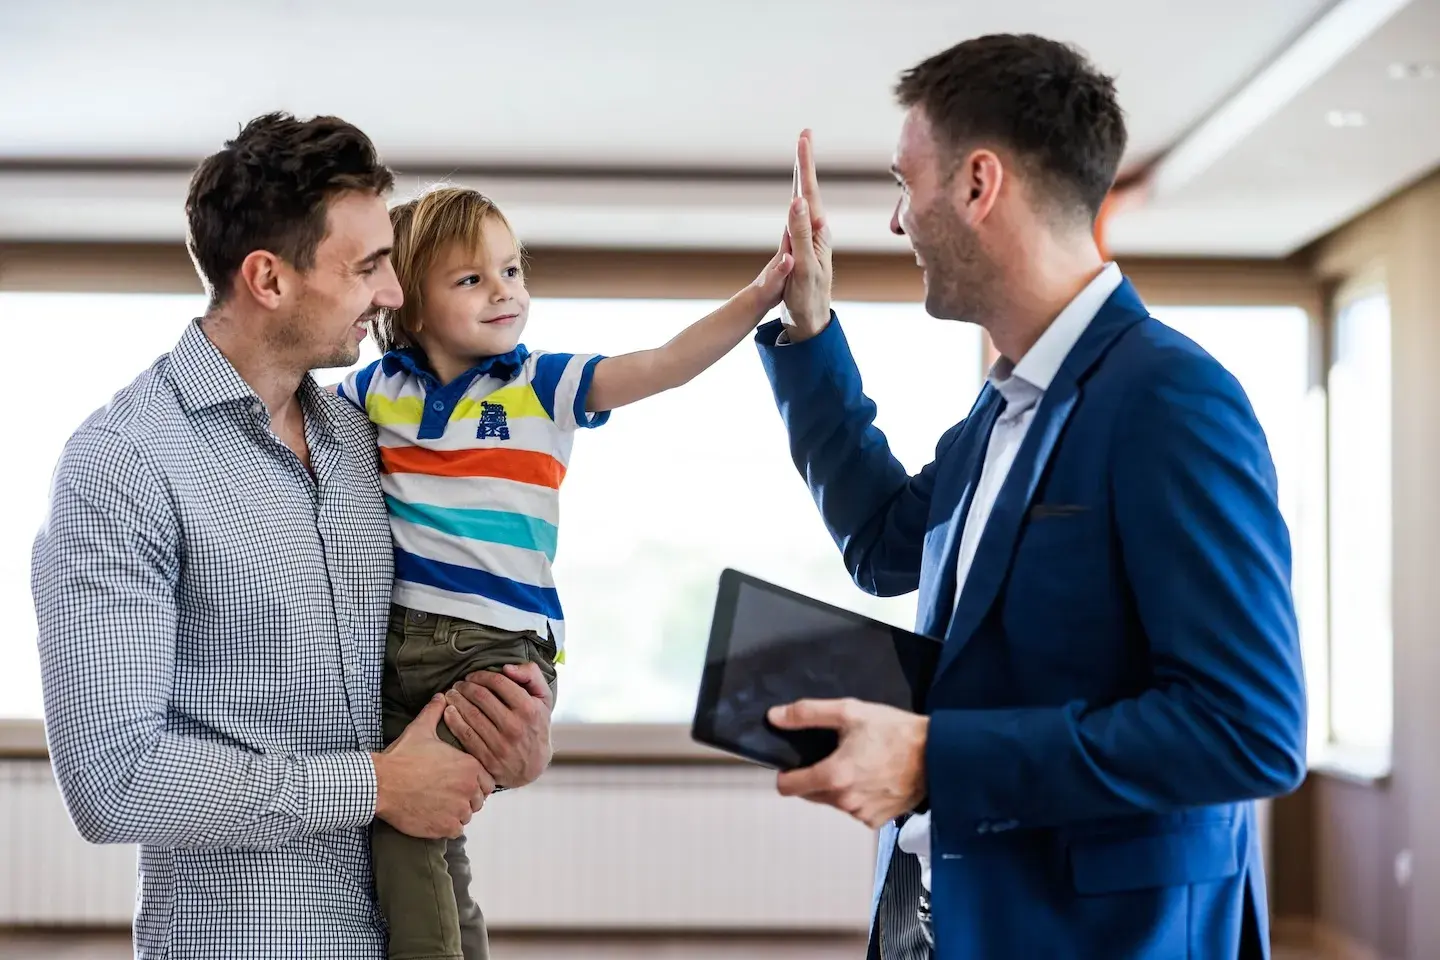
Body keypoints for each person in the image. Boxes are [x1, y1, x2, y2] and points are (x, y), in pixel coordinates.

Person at [757, 35, 1307, 959]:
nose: (898, 222)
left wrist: (936, 758)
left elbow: (1246, 728)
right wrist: (810, 330)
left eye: (907, 183)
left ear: (978, 184)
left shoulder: (1172, 398)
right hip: (942, 913)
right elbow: (887, 541)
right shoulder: (1002, 406)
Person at [31, 114, 554, 960]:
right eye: (368, 268)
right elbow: (112, 781)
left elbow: (431, 653)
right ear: (268, 279)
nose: (393, 296)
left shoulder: (362, 437)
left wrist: (513, 744)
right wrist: (373, 786)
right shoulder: (121, 465)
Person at [335, 184, 792, 960]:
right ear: (407, 306)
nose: (505, 291)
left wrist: (759, 295)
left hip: (494, 652)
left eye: (512, 270)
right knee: (433, 835)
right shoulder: (377, 392)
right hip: (398, 649)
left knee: (403, 830)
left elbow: (664, 365)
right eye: (471, 279)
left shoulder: (542, 382)